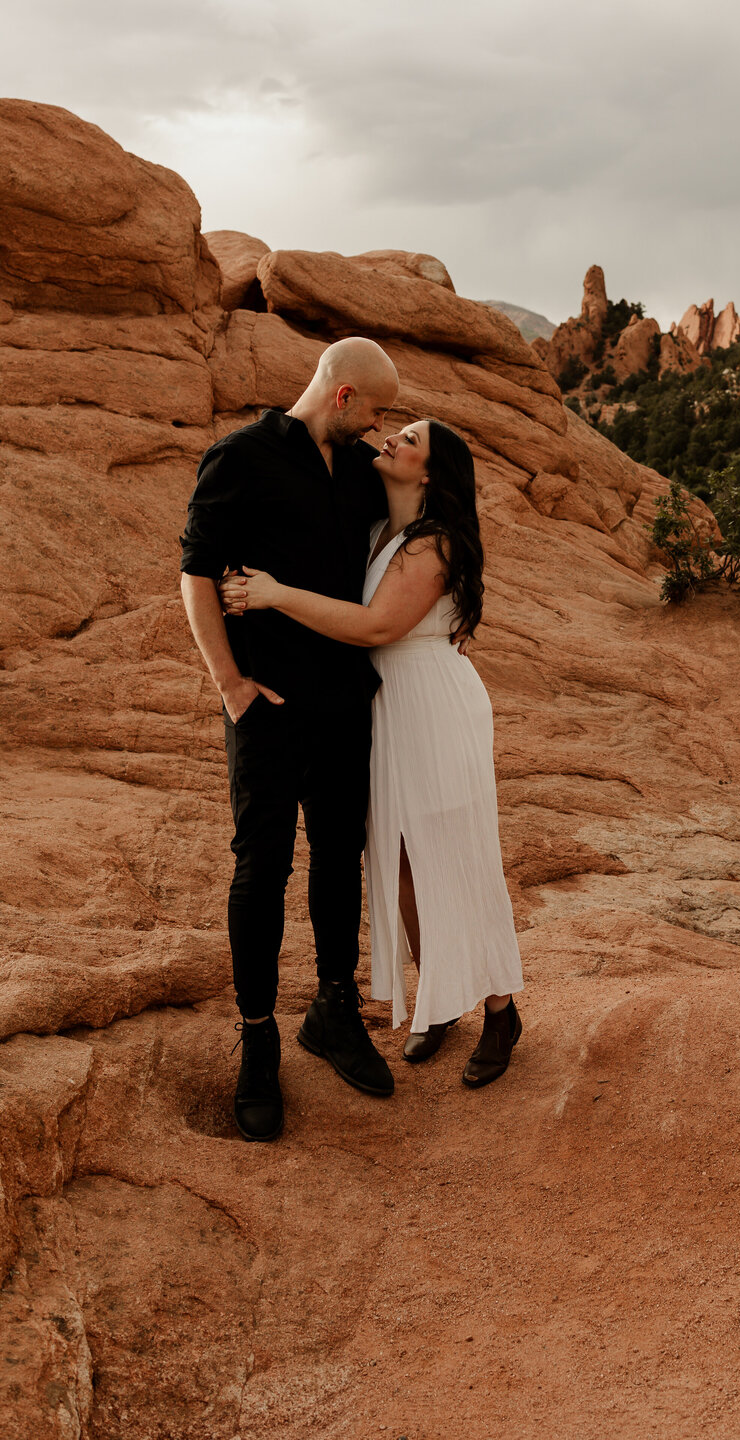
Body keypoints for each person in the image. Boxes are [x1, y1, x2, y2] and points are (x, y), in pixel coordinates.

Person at [220, 417, 524, 1090]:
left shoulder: (434, 543)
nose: (390, 438)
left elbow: (377, 625)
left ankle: (502, 1011)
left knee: (456, 853)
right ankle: (440, 993)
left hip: (435, 706)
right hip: (390, 706)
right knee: (405, 863)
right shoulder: (382, 530)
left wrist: (272, 594)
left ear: (429, 472)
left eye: (408, 439)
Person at [180, 337, 401, 1142]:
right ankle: (258, 1038)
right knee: (262, 866)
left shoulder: (364, 472)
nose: (384, 427)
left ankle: (333, 1011)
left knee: (339, 856)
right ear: (342, 397)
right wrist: (230, 686)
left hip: (345, 702)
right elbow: (196, 573)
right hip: (266, 706)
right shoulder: (240, 458)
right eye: (377, 409)